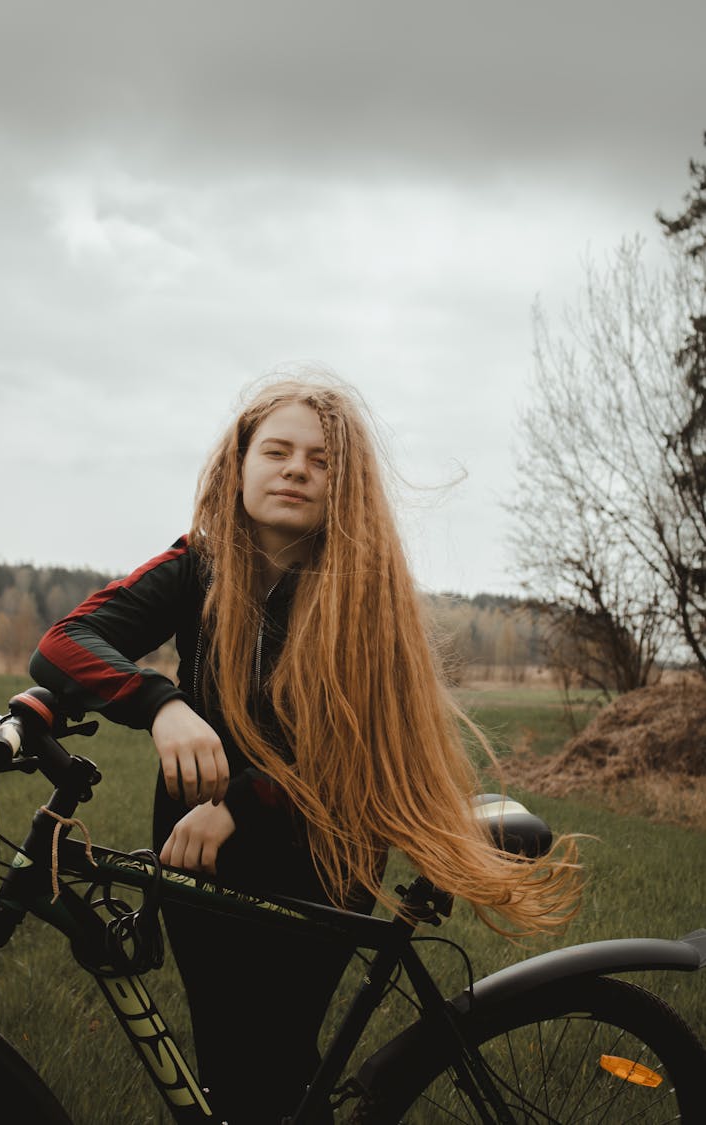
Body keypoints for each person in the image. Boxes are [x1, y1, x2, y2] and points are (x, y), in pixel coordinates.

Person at [30, 374, 580, 1124]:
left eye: (320, 460)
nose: (295, 469)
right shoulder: (200, 563)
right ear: (240, 465)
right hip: (194, 846)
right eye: (277, 450)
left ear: (344, 486)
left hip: (318, 846)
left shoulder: (361, 591)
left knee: (271, 1065)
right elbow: (68, 641)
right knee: (229, 1064)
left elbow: (359, 751)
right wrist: (162, 706)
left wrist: (244, 804)